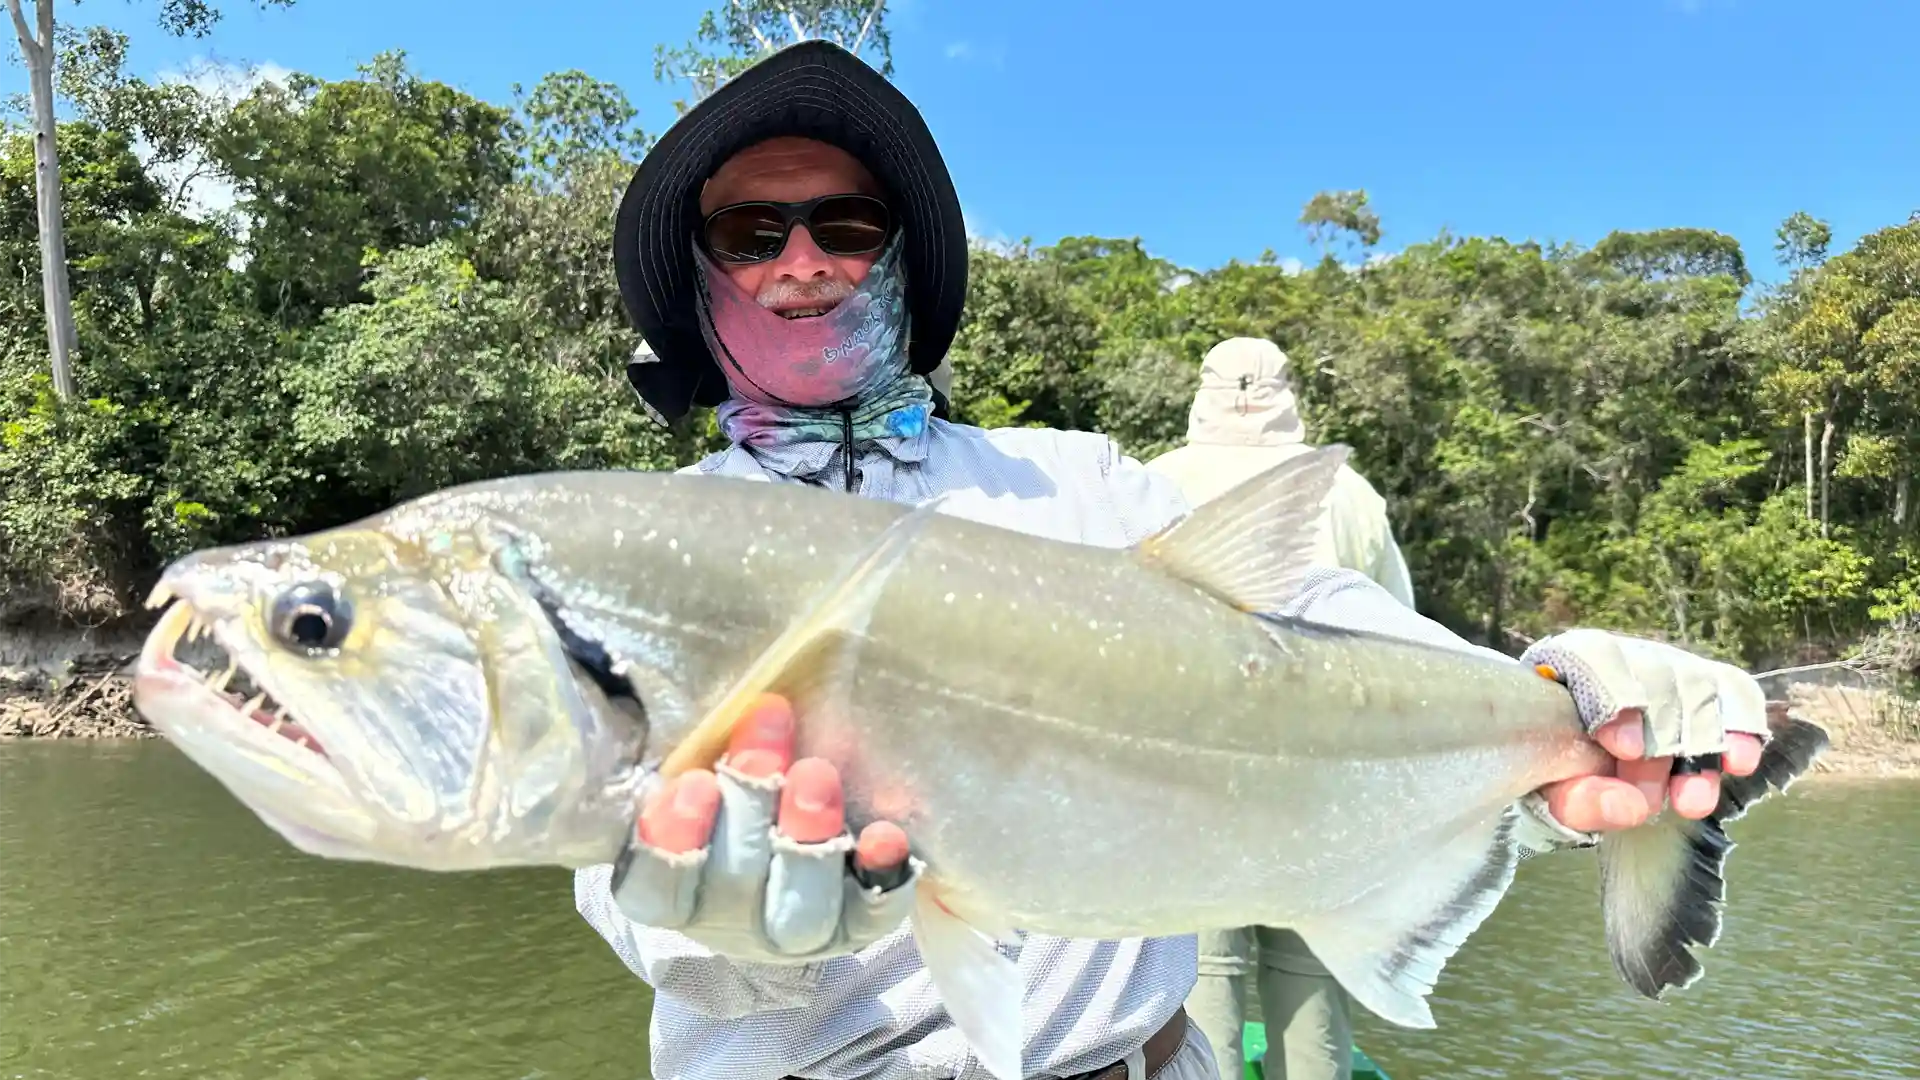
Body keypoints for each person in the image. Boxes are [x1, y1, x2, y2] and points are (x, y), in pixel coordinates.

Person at [573, 40, 1769, 1080]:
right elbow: (591, 855)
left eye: (846, 224)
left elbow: (1320, 620)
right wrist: (714, 927)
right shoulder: (637, 550)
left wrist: (1569, 700)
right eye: (748, 231)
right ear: (699, 278)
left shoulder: (1080, 481)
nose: (804, 261)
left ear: (899, 260)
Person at [1147, 337, 1411, 1080]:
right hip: (1323, 780)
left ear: (1203, 391)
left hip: (1196, 777)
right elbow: (1401, 638)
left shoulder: (1152, 480)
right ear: (1288, 392)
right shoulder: (1349, 493)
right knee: (1313, 975)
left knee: (1203, 974)